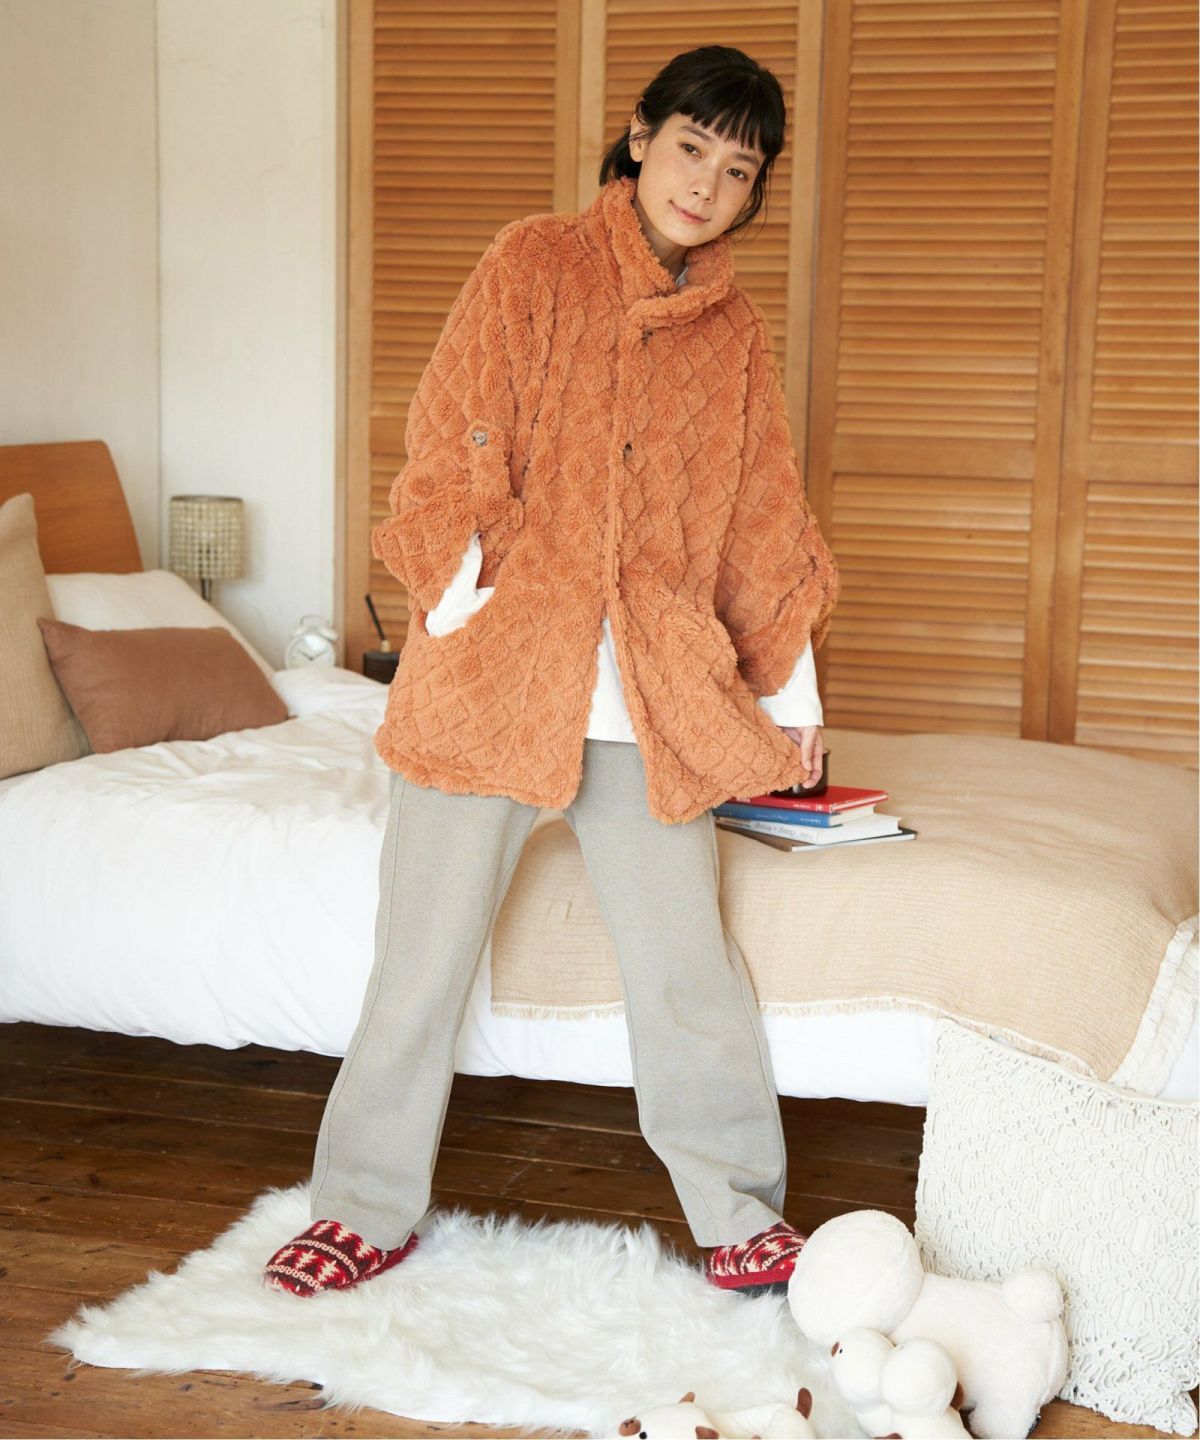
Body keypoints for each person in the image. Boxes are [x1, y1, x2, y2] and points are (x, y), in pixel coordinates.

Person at [264, 43, 838, 1301]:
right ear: (639, 137)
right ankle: (360, 1206)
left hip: (648, 689)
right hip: (496, 667)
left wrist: (788, 693)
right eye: (691, 148)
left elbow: (761, 512)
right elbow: (451, 425)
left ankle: (737, 1210)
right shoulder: (533, 261)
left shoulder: (735, 335)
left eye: (739, 171)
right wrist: (466, 592)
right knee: (419, 962)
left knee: (687, 968)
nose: (707, 185)